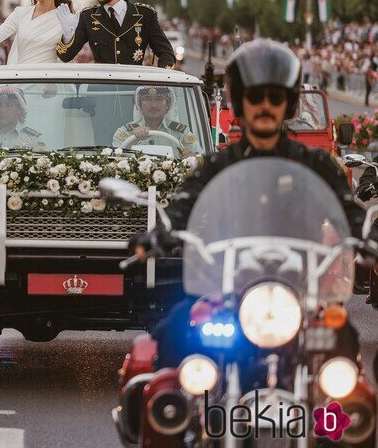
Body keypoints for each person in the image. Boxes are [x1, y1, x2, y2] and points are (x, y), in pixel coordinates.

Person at [131, 40, 368, 368]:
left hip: (300, 289)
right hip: (227, 287)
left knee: (344, 348)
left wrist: (368, 238)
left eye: (276, 97)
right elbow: (183, 206)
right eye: (256, 97)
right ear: (240, 102)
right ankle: (171, 416)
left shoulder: (318, 165)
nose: (266, 106)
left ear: (289, 104)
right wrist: (161, 233)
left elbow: (349, 211)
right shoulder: (216, 165)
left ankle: (339, 419)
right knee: (170, 337)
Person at [56, 0, 175, 68]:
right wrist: (68, 35)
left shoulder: (145, 15)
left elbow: (166, 53)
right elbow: (66, 57)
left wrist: (157, 81)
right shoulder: (88, 16)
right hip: (101, 88)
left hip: (133, 87)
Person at [112, 86, 199, 156]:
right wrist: (133, 141)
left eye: (159, 99)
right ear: (139, 105)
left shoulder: (181, 133)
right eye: (148, 99)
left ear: (168, 105)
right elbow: (114, 158)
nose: (153, 105)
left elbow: (201, 157)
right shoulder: (125, 132)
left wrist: (192, 157)